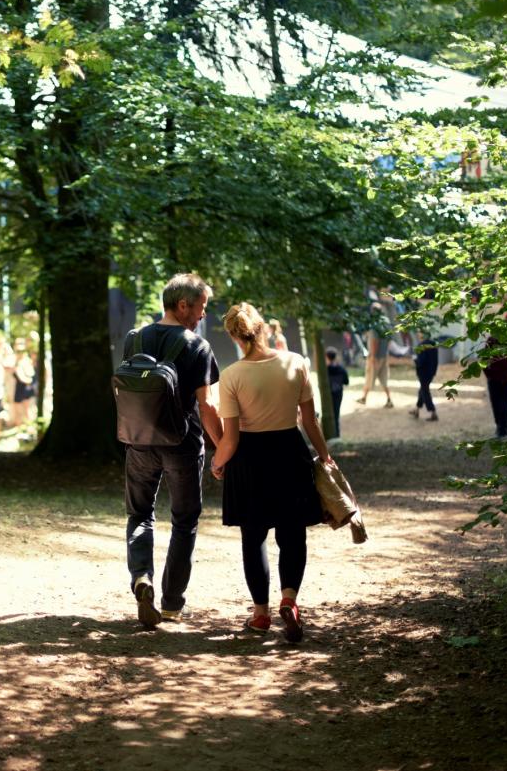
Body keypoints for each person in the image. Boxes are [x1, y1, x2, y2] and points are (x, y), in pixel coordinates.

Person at [210, 302, 333, 644]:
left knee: (254, 537)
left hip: (250, 459)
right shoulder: (295, 363)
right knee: (293, 534)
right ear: (262, 328)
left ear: (235, 336)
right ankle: (290, 600)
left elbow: (231, 437)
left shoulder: (231, 376)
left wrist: (217, 462)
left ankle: (260, 614)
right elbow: (310, 421)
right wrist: (325, 457)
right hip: (290, 453)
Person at [123, 273, 222, 628]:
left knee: (140, 514)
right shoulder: (197, 346)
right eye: (201, 308)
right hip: (182, 445)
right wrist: (223, 446)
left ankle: (141, 577)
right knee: (184, 521)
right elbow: (207, 407)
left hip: (139, 442)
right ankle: (171, 604)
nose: (202, 316)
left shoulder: (135, 339)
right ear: (183, 305)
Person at [409, 337, 440, 422]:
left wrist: (414, 359)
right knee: (422, 390)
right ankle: (417, 410)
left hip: (423, 372)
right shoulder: (434, 344)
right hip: (431, 372)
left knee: (425, 391)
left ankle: (433, 412)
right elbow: (436, 360)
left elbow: (420, 362)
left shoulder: (422, 345)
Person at [11, 339, 37, 427]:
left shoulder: (26, 361)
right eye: (18, 351)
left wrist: (25, 380)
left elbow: (30, 376)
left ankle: (29, 427)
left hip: (24, 388)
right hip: (20, 387)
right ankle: (21, 427)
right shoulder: (15, 361)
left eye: (21, 351)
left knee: (26, 409)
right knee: (18, 409)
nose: (19, 353)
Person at [324, 349, 348, 436]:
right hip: (338, 394)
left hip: (328, 395)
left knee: (329, 415)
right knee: (336, 415)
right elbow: (346, 382)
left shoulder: (325, 370)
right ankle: (337, 434)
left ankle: (330, 434)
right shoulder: (341, 369)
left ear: (326, 357)